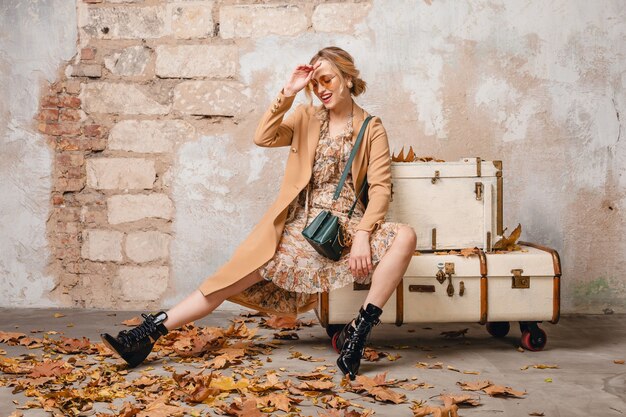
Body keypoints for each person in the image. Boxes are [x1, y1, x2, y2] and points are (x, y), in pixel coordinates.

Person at [100, 46, 417, 380]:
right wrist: (289, 92)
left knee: (405, 236)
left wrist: (365, 233)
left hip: (348, 230)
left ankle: (358, 332)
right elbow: (263, 136)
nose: (321, 89)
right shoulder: (306, 117)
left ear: (348, 79)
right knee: (226, 281)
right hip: (303, 228)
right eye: (316, 84)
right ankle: (146, 335)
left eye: (328, 80)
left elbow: (381, 188)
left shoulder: (371, 128)